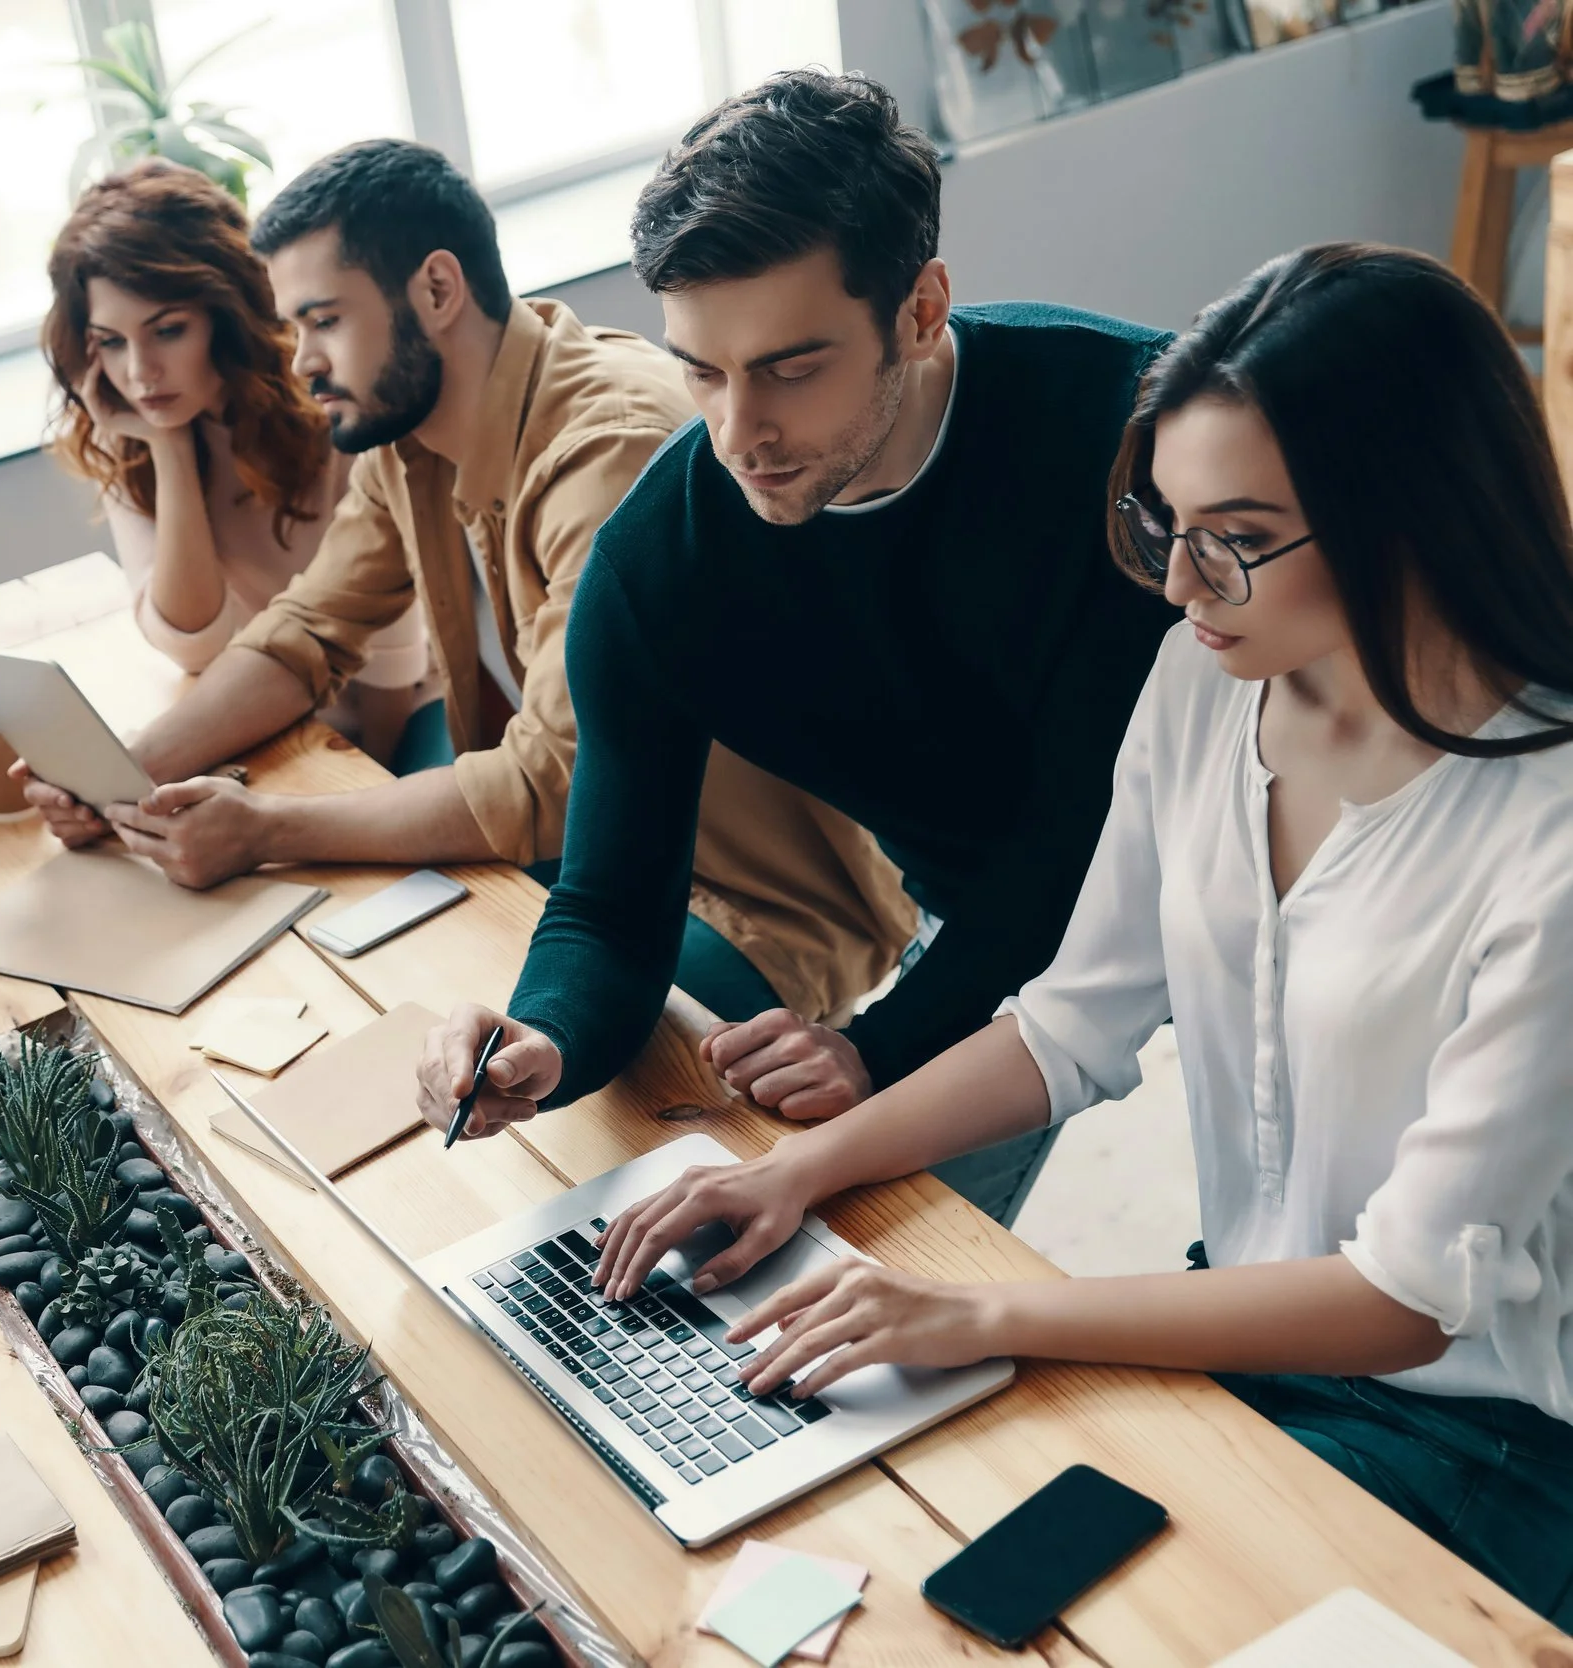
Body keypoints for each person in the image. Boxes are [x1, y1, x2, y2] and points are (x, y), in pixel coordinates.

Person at [580, 244, 1573, 1625]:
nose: (1177, 586)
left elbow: (1412, 1300)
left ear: (1407, 514)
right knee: (903, 1547)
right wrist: (801, 1172)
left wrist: (999, 1312)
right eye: (1164, 527)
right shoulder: (1207, 681)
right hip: (1242, 1327)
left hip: (1489, 1428)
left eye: (1235, 537)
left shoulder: (1548, 831)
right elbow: (1073, 1020)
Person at [421, 73, 1178, 1225]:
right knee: (866, 1262)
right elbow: (612, 904)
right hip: (983, 919)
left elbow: (1084, 833)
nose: (738, 433)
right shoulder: (655, 564)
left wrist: (881, 1044)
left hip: (1259, 873)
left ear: (922, 309)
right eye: (701, 370)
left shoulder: (1131, 430)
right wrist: (547, 1035)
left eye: (788, 367)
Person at [23, 139, 916, 1039]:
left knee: (463, 1044)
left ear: (437, 291)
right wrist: (123, 768)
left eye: (325, 321)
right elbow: (306, 634)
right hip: (597, 865)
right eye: (295, 327)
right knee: (352, 984)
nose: (300, 362)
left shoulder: (606, 446)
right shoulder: (405, 439)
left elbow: (555, 778)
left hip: (754, 908)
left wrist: (267, 829)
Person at [43, 159, 434, 764]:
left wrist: (370, 775)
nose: (140, 373)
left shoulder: (330, 405)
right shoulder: (137, 436)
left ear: (223, 316)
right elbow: (194, 645)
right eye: (112, 343)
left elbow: (391, 648)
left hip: (402, 714)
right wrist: (169, 452)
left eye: (168, 331)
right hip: (271, 719)